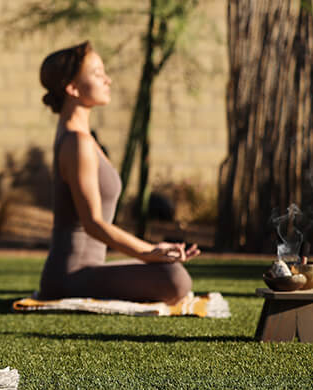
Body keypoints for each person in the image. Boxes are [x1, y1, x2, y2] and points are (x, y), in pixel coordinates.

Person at [37, 41, 198, 304]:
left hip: (84, 271)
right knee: (175, 279)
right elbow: (93, 224)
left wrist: (153, 252)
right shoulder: (76, 142)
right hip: (70, 276)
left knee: (172, 273)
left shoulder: (79, 137)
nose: (108, 80)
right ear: (73, 88)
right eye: (98, 73)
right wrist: (150, 252)